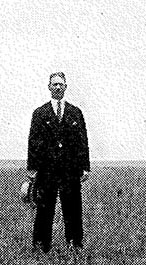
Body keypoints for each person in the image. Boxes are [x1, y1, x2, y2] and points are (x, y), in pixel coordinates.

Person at [27, 72, 90, 253]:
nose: (57, 87)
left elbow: (82, 141)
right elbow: (33, 141)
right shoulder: (39, 113)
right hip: (47, 172)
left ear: (65, 87)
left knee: (73, 210)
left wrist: (84, 167)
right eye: (54, 84)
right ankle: (41, 247)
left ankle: (75, 246)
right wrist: (33, 168)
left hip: (70, 171)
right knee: (44, 210)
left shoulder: (75, 113)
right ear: (49, 87)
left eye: (60, 84)